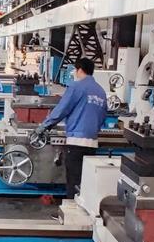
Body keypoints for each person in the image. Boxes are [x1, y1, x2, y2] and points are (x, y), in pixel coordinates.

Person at [33, 57, 107, 199]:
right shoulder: (101, 91)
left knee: (74, 180)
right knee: (86, 181)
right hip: (92, 143)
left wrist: (44, 126)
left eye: (75, 70)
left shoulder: (76, 86)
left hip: (76, 142)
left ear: (80, 70)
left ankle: (72, 209)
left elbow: (62, 109)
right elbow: (103, 116)